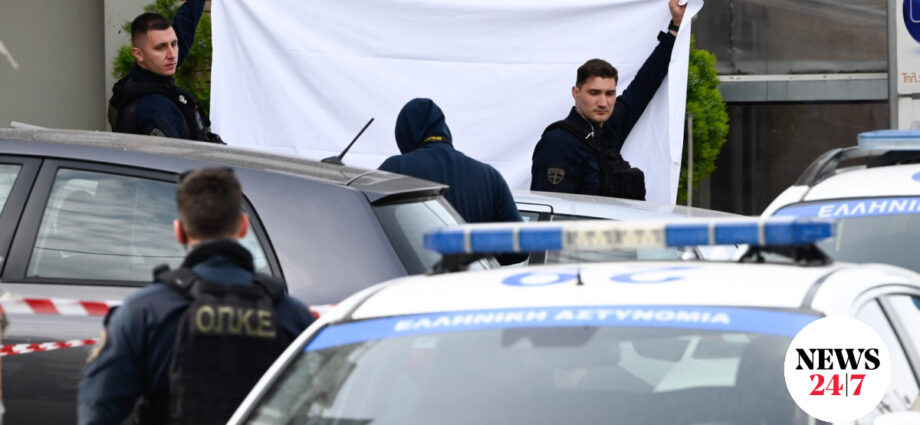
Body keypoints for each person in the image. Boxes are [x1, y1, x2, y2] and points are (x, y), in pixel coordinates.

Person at [77, 167, 314, 425]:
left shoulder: (143, 313)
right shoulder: (294, 316)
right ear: (243, 226)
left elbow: (98, 414)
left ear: (179, 231)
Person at [530, 0, 687, 199]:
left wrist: (675, 28)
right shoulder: (558, 144)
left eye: (609, 93)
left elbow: (644, 84)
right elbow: (549, 209)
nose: (603, 102)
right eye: (594, 93)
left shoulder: (609, 126)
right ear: (576, 93)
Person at [379, 98, 527, 265]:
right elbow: (521, 247)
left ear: (404, 134)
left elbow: (370, 234)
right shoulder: (489, 176)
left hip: (414, 278)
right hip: (472, 279)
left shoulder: (395, 169)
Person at [108, 0, 223, 143]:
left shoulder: (145, 76)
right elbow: (171, 157)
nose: (172, 55)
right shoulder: (155, 109)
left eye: (173, 44)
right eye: (160, 48)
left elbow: (184, 30)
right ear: (138, 54)